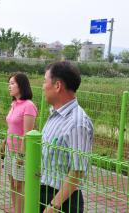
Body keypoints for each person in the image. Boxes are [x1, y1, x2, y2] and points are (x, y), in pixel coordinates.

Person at [40, 61, 93, 213]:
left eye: (45, 81)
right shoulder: (55, 115)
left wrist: (53, 207)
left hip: (63, 201)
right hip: (45, 192)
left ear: (57, 86)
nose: (43, 86)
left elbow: (77, 171)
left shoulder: (77, 123)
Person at [4, 72, 37, 213]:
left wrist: (21, 157)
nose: (9, 86)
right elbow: (11, 127)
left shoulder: (28, 106)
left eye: (12, 83)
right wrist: (4, 142)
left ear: (21, 86)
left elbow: (27, 134)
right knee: (12, 184)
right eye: (9, 83)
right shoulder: (14, 104)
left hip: (20, 153)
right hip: (9, 150)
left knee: (20, 185)